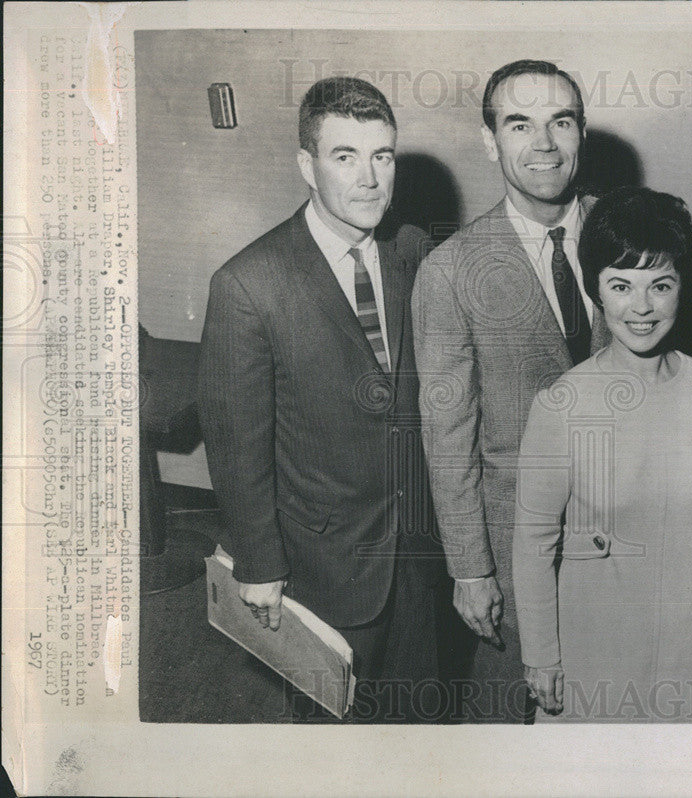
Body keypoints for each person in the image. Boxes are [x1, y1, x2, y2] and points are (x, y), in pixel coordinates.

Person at [198, 76, 441, 723]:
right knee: (331, 743)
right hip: (321, 567)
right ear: (306, 165)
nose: (369, 179)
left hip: (418, 556)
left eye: (382, 156)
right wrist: (258, 562)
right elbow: (235, 444)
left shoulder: (413, 250)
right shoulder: (248, 285)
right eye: (345, 157)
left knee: (419, 729)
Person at [411, 59, 611, 722]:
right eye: (520, 124)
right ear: (491, 142)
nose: (545, 143)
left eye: (561, 122)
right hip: (515, 545)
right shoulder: (451, 270)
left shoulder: (633, 237)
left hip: (630, 533)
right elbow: (448, 437)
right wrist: (471, 569)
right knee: (506, 723)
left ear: (583, 134)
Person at [512, 187, 692, 722]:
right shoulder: (562, 404)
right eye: (621, 285)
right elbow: (533, 542)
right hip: (591, 657)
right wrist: (542, 658)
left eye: (659, 285)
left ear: (681, 288)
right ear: (597, 289)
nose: (641, 308)